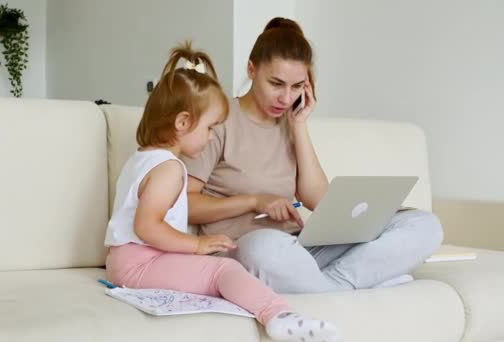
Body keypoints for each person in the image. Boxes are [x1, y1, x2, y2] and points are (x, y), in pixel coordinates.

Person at [183, 17, 444, 294]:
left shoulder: (291, 122)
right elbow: (185, 204)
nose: (285, 98)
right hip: (245, 250)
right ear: (251, 69)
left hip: (300, 250)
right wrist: (253, 201)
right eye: (276, 83)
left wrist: (299, 126)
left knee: (424, 225)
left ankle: (328, 288)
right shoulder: (218, 120)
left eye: (296, 87)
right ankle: (359, 283)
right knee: (264, 246)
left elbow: (317, 200)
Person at [104, 41, 339, 341]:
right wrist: (196, 246)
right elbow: (146, 226)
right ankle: (277, 315)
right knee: (222, 271)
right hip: (139, 264)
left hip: (132, 261)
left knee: (220, 269)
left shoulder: (143, 158)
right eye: (210, 128)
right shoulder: (169, 169)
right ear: (183, 122)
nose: (212, 136)